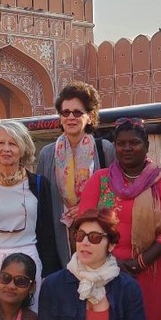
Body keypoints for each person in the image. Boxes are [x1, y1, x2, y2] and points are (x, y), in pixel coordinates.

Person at [78, 117, 161, 320]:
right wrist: (109, 261)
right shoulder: (100, 179)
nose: (127, 148)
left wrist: (140, 262)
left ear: (146, 146)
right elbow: (85, 222)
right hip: (101, 271)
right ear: (114, 147)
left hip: (148, 270)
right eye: (121, 143)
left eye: (134, 143)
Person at [0, 121, 59, 309]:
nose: (6, 149)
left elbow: (48, 234)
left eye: (13, 143)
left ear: (23, 148)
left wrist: (50, 274)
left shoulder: (39, 185)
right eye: (0, 143)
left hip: (30, 262)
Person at [37, 81, 115, 266]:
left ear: (90, 116)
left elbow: (111, 194)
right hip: (60, 233)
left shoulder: (103, 150)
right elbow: (44, 200)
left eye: (77, 112)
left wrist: (86, 209)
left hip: (95, 233)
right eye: (65, 112)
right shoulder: (48, 154)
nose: (70, 117)